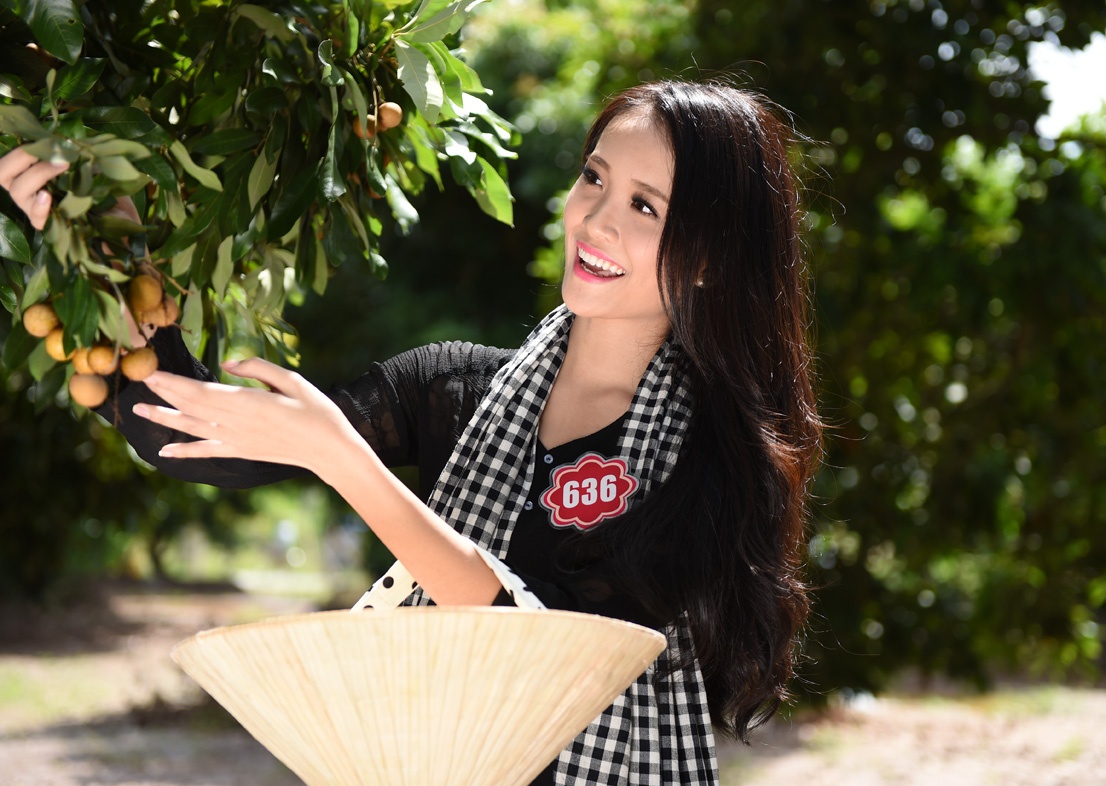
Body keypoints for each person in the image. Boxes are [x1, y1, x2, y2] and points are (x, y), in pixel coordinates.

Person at [0, 79, 822, 784]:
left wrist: (345, 463)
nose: (596, 220)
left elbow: (546, 646)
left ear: (709, 255)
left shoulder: (711, 454)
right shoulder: (452, 390)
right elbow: (197, 437)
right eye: (593, 178)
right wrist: (109, 260)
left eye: (644, 206)